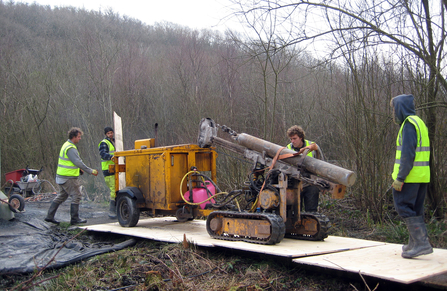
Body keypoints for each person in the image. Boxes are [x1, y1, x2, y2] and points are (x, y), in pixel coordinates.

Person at [390, 94, 432, 258]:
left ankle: (421, 244)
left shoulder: (408, 125)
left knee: (404, 207)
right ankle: (415, 243)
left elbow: (408, 154)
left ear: (400, 108)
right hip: (421, 176)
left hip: (409, 177)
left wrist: (400, 178)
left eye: (394, 108)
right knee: (415, 210)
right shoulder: (419, 122)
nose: (393, 112)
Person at [45, 127, 98, 225]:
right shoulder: (71, 148)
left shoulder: (66, 145)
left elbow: (71, 162)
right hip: (68, 177)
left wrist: (79, 170)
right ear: (73, 137)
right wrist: (90, 171)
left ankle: (49, 216)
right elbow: (77, 161)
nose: (80, 139)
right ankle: (74, 219)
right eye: (79, 137)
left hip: (61, 176)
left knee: (62, 196)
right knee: (77, 195)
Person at [286, 125, 324, 213]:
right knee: (293, 212)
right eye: (291, 139)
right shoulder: (288, 148)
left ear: (301, 137)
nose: (292, 141)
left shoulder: (313, 147)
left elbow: (322, 164)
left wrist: (321, 182)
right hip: (295, 184)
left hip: (311, 183)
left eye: (294, 138)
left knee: (311, 211)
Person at [99, 126, 116, 219]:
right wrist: (110, 157)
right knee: (113, 189)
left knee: (117, 189)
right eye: (108, 133)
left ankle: (117, 209)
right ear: (106, 134)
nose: (110, 134)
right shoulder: (104, 143)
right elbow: (103, 154)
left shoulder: (115, 142)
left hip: (116, 168)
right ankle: (111, 211)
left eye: (111, 132)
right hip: (108, 169)